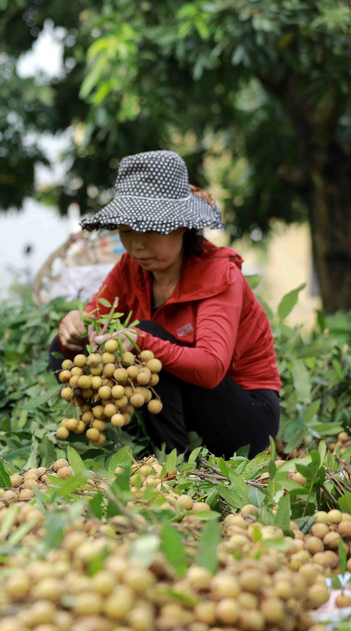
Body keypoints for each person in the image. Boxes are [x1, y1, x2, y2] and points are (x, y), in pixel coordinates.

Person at [50, 150, 281, 458]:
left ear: (182, 226)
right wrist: (74, 329)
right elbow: (95, 322)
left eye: (149, 231)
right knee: (61, 351)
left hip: (246, 418)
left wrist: (140, 339)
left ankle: (172, 463)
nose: (137, 245)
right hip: (183, 407)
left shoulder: (218, 273)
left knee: (146, 336)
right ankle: (159, 454)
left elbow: (211, 369)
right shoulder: (130, 267)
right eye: (128, 231)